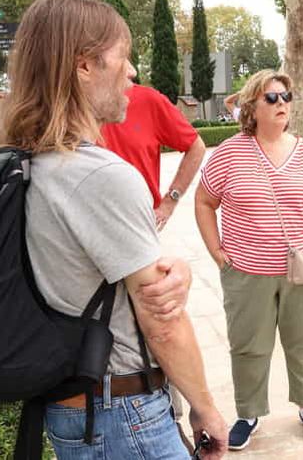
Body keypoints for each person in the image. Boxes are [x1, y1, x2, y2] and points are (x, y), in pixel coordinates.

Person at [0, 0, 227, 459]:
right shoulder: (99, 174)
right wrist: (205, 409)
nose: (133, 72)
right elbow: (161, 321)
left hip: (70, 409)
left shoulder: (22, 162)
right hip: (121, 414)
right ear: (84, 65)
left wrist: (166, 265)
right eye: (123, 58)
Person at [195, 70, 303, 451]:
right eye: (272, 98)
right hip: (246, 271)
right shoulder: (228, 152)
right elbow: (205, 201)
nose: (282, 104)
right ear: (252, 107)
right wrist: (216, 250)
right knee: (248, 345)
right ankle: (248, 412)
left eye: (287, 97)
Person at [100, 84, 206, 447]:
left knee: (155, 317)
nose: (129, 70)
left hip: (138, 233)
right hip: (89, 238)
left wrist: (170, 200)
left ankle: (170, 413)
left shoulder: (145, 100)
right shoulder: (63, 109)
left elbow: (195, 145)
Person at [101, 85, 206, 231]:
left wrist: (170, 200)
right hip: (79, 228)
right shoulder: (67, 101)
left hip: (135, 226)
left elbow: (196, 147)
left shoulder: (148, 100)